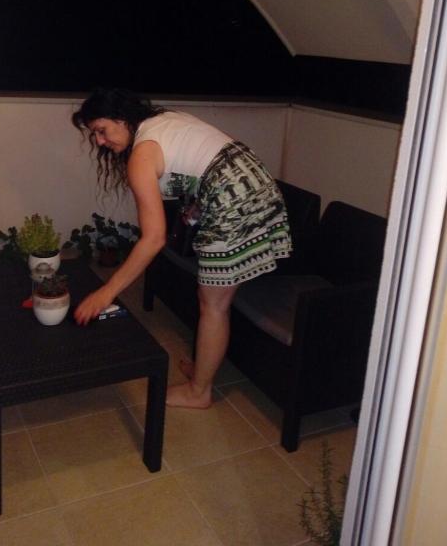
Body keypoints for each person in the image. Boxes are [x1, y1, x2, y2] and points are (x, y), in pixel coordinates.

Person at [71, 87, 292, 409]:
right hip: (259, 186)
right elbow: (212, 160)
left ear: (122, 119)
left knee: (213, 304)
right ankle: (201, 372)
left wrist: (106, 293)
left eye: (102, 131)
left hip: (235, 202)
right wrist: (200, 207)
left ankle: (198, 391)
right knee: (214, 299)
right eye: (95, 135)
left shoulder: (142, 155)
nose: (100, 142)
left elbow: (153, 238)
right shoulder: (165, 120)